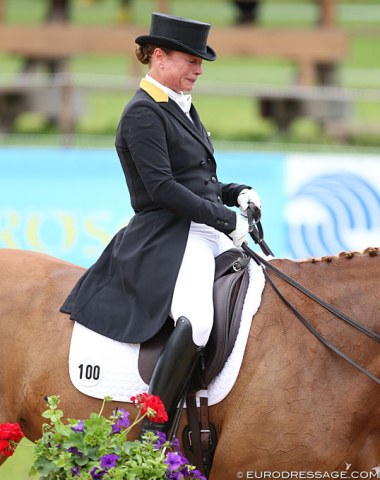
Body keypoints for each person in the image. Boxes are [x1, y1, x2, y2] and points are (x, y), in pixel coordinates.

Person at [60, 12, 261, 437]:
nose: (198, 68)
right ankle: (156, 429)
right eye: (190, 58)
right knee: (198, 319)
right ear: (158, 57)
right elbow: (165, 189)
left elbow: (197, 180)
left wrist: (235, 193)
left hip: (200, 227)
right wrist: (226, 220)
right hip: (166, 235)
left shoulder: (180, 106)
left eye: (200, 60)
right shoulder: (143, 113)